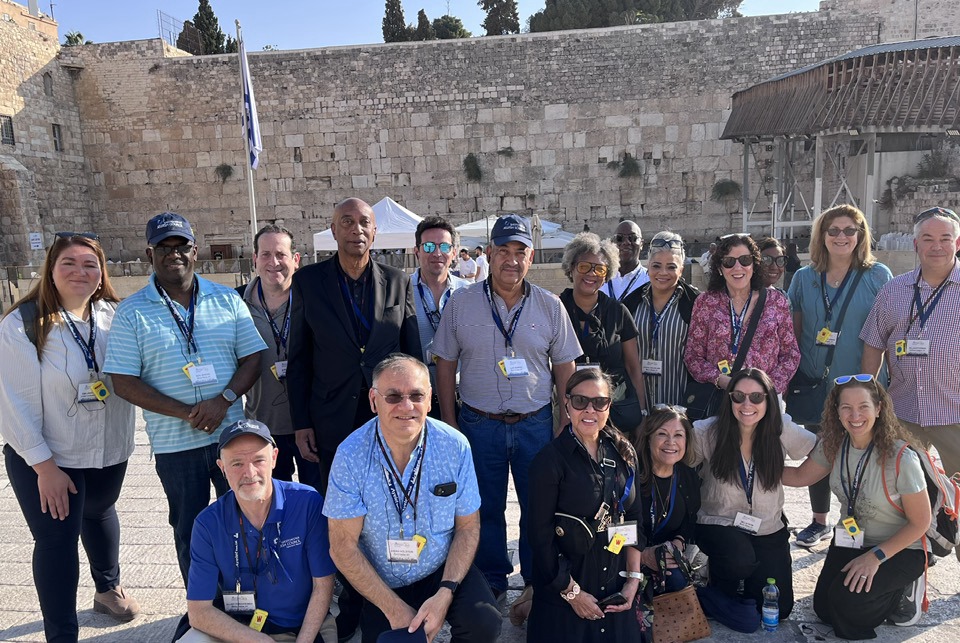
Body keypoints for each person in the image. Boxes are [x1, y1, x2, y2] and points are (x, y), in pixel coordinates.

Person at [105, 212, 267, 584]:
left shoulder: (226, 299)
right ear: (149, 254)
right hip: (175, 445)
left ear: (195, 251)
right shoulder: (131, 312)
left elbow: (253, 358)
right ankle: (202, 606)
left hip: (230, 437)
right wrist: (187, 412)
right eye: (163, 247)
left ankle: (250, 600)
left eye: (181, 246)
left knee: (245, 520)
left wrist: (222, 401)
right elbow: (123, 382)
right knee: (189, 528)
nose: (173, 254)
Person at [286, 197, 421, 639]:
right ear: (333, 230)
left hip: (388, 419)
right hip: (332, 417)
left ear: (375, 231)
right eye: (347, 222)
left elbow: (412, 353)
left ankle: (389, 593)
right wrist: (302, 422)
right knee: (341, 515)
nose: (356, 230)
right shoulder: (308, 282)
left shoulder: (398, 280)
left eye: (364, 222)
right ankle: (348, 600)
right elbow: (299, 357)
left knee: (388, 507)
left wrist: (419, 416)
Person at [433, 213, 581, 602]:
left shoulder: (550, 306)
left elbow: (565, 367)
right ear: (489, 253)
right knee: (484, 507)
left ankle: (536, 580)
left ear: (530, 257)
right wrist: (449, 422)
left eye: (520, 252)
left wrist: (565, 420)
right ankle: (492, 581)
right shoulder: (461, 304)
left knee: (539, 506)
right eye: (503, 251)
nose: (511, 260)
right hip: (479, 424)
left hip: (535, 424)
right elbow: (445, 364)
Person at [0, 233, 138, 642]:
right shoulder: (24, 324)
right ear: (51, 270)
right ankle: (62, 635)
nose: (81, 271)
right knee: (57, 541)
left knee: (99, 510)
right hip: (51, 456)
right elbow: (12, 402)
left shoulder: (116, 316)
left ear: (102, 273)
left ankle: (107, 589)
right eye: (69, 263)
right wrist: (45, 468)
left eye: (90, 264)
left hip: (108, 447)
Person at [323, 355, 501, 643]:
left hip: (439, 568)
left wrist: (445, 592)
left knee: (484, 622)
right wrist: (395, 610)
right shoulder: (350, 455)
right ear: (373, 400)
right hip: (382, 580)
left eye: (416, 396)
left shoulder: (455, 446)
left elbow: (468, 527)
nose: (406, 406)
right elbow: (342, 546)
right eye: (393, 396)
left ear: (429, 400)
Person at [782, 375, 930, 638]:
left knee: (849, 609)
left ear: (879, 409)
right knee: (824, 609)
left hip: (899, 548)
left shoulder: (901, 458)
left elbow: (921, 523)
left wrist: (875, 557)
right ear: (837, 412)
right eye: (846, 407)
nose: (855, 415)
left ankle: (903, 591)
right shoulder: (834, 445)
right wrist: (750, 463)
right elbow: (798, 477)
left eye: (863, 406)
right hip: (851, 538)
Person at [788, 205, 892, 548]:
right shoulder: (804, 278)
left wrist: (878, 384)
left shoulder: (878, 276)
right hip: (816, 382)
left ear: (861, 235)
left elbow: (887, 330)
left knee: (861, 454)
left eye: (849, 230)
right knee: (819, 449)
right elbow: (795, 331)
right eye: (833, 230)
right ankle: (819, 521)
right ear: (822, 236)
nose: (841, 237)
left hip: (860, 385)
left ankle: (857, 524)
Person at [182, 419, 337, 642]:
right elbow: (199, 612)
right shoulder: (208, 523)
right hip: (239, 628)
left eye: (258, 460)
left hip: (302, 627)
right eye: (237, 463)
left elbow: (323, 586)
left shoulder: (307, 503)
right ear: (222, 467)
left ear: (274, 458)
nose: (249, 472)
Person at [526, 369, 642, 642]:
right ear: (566, 403)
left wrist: (632, 581)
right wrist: (572, 593)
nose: (590, 410)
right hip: (564, 593)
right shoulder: (548, 461)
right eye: (580, 401)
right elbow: (540, 537)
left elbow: (634, 517)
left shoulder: (623, 452)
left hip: (615, 593)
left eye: (599, 402)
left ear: (609, 406)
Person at [693, 368, 815, 620]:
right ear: (730, 399)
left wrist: (793, 475)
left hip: (766, 526)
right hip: (719, 522)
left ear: (769, 399)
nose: (747, 404)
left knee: (779, 609)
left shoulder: (780, 428)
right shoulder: (707, 431)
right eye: (738, 396)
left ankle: (743, 586)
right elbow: (679, 462)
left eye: (756, 397)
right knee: (739, 558)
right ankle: (720, 577)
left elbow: (820, 449)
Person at [861, 206, 960, 477]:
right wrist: (868, 395)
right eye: (928, 239)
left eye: (945, 239)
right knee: (903, 486)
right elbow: (873, 344)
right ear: (916, 245)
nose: (936, 246)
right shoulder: (893, 290)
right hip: (903, 413)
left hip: (954, 414)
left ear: (957, 243)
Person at [238, 224, 319, 488]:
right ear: (255, 259)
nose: (273, 262)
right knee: (270, 502)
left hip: (311, 425)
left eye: (281, 254)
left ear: (295, 259)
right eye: (266, 254)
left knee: (315, 500)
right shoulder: (237, 304)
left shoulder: (314, 300)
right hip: (262, 427)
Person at [684, 234, 799, 396]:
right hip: (721, 397)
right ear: (720, 268)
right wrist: (723, 381)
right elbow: (693, 356)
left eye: (745, 260)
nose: (738, 267)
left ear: (754, 264)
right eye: (729, 262)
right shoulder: (705, 303)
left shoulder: (777, 302)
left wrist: (766, 388)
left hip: (764, 399)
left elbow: (791, 355)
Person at [558, 232, 646, 434]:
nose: (592, 274)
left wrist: (641, 412)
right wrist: (563, 416)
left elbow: (633, 367)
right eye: (584, 267)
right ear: (571, 268)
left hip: (613, 408)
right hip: (569, 408)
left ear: (607, 275)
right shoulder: (556, 309)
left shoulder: (618, 311)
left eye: (599, 269)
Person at [624, 231, 700, 411]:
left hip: (680, 409)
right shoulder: (631, 303)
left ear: (681, 269)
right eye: (656, 266)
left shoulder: (695, 304)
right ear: (647, 266)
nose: (663, 273)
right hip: (640, 409)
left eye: (671, 267)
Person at [411, 217, 471, 408]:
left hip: (462, 395)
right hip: (416, 396)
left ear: (454, 252)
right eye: (429, 246)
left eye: (444, 247)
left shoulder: (469, 293)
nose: (437, 253)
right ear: (416, 251)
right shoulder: (402, 291)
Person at [607, 221, 650, 302]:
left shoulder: (650, 280)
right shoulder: (600, 279)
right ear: (612, 243)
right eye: (619, 238)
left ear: (641, 244)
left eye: (633, 238)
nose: (626, 242)